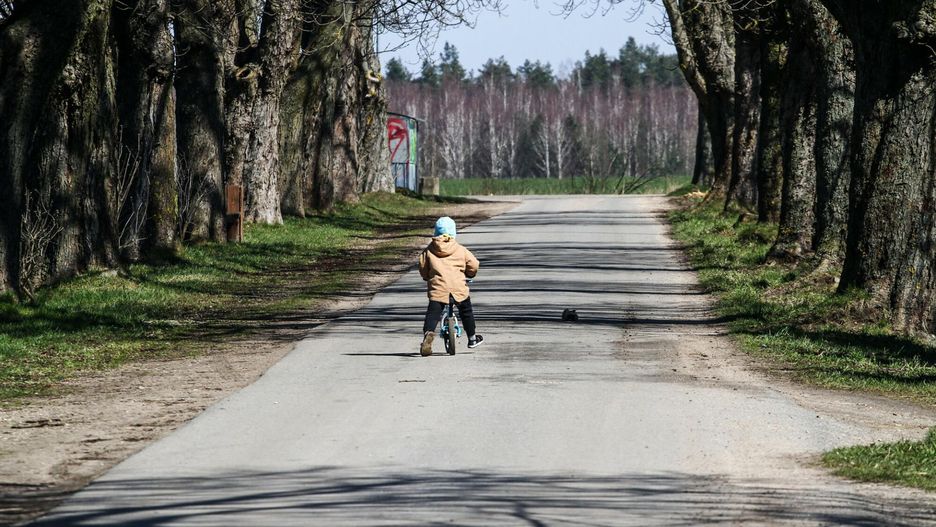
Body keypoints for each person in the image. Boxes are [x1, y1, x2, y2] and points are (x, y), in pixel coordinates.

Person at [418, 216, 483, 356]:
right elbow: (474, 264)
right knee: (466, 311)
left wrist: (426, 276)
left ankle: (428, 334)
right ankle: (472, 338)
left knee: (433, 313)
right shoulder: (460, 249)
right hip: (458, 288)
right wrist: (470, 274)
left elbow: (422, 266)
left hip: (438, 289)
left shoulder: (429, 250)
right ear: (454, 233)